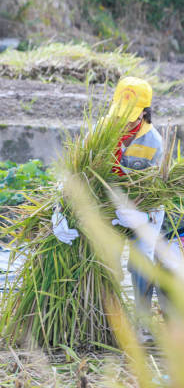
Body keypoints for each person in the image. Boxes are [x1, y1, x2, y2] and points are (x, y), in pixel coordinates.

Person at [52, 77, 165, 335]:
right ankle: (106, 323)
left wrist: (142, 216)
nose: (123, 121)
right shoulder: (101, 129)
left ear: (145, 113)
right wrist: (59, 210)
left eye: (131, 116)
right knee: (106, 262)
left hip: (140, 212)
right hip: (108, 212)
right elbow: (75, 171)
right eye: (119, 113)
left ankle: (143, 323)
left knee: (140, 264)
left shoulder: (154, 142)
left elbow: (159, 191)